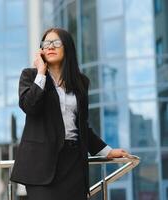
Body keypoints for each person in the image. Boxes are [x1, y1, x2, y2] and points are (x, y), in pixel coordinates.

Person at [10, 28, 129, 200]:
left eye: (56, 42)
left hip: (74, 164)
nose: (50, 47)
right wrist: (41, 73)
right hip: (41, 165)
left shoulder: (81, 82)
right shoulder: (30, 75)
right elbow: (30, 107)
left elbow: (82, 126)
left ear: (67, 47)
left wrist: (107, 152)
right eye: (46, 43)